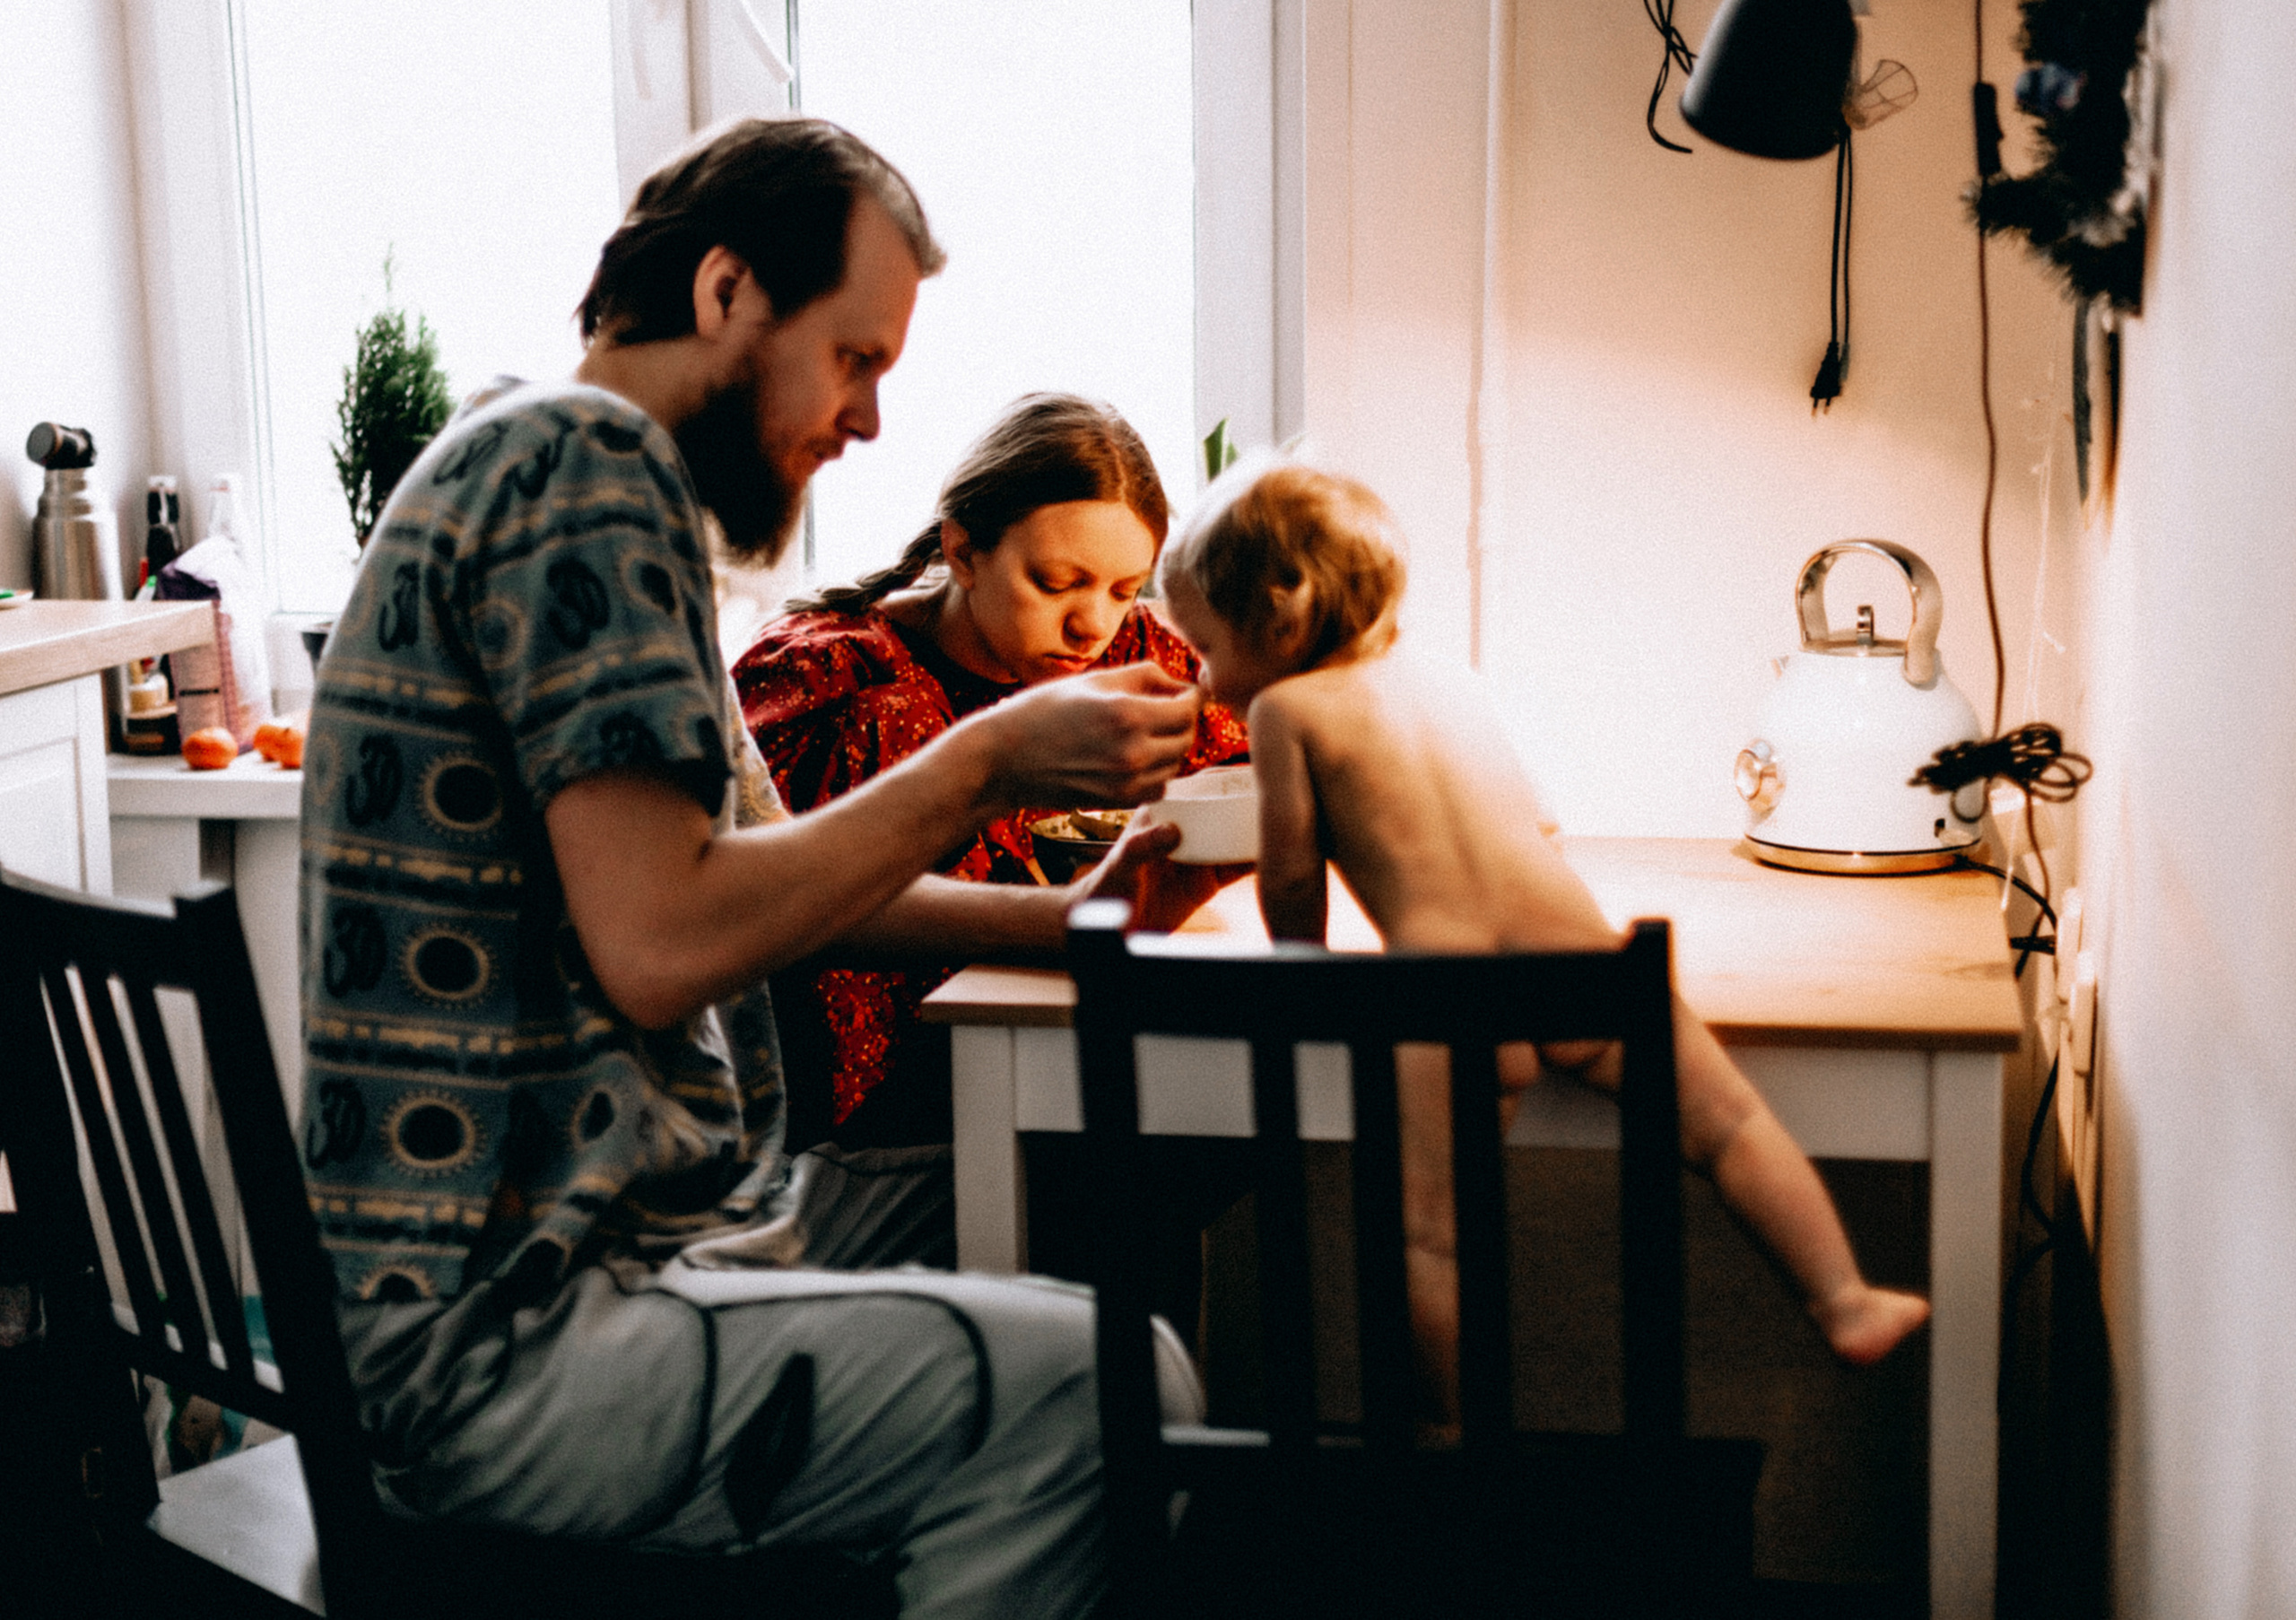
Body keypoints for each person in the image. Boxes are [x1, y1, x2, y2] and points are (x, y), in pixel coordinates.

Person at [298, 117, 1206, 1620]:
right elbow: (668, 941)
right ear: (727, 293)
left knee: (1075, 1298)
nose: (865, 423)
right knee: (1119, 1386)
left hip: (521, 1299)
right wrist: (982, 761)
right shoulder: (583, 470)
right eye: (855, 360)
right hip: (506, 1347)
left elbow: (766, 890)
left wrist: (1068, 916)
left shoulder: (536, 468)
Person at [1154, 457, 1934, 1421]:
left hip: (1443, 995)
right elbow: (1540, 821)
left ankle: (1447, 1437)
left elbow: (1288, 872)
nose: (1201, 674)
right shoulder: (1451, 680)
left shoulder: (1284, 712)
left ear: (1274, 623)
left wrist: (1301, 966)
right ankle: (1844, 1299)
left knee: (1431, 1237)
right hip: (1585, 964)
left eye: (1203, 645)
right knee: (1729, 1125)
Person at [734, 392, 1249, 1151]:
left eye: (1122, 588)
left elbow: (1241, 778)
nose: (1092, 624)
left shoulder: (1141, 656)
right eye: (1056, 582)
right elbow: (786, 914)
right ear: (964, 552)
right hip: (876, 1126)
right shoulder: (838, 682)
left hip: (1064, 1037)